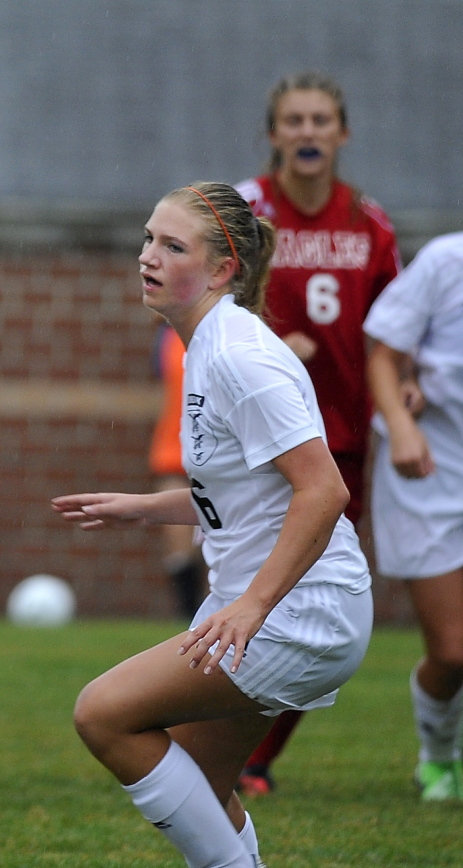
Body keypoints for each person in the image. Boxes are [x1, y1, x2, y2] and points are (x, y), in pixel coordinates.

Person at [53, 182, 372, 868]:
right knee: (197, 778)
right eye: (147, 238)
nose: (146, 257)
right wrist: (140, 507)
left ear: (224, 268)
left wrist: (252, 606)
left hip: (300, 610)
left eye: (171, 246)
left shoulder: (237, 356)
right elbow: (241, 494)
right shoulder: (206, 345)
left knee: (102, 713)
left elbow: (323, 490)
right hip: (270, 604)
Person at [233, 71, 400, 796]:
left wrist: (406, 381)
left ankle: (256, 755)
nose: (306, 132)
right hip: (262, 439)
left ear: (341, 134)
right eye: (293, 121)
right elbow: (207, 299)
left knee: (322, 599)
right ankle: (221, 741)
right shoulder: (244, 211)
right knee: (248, 585)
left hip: (343, 441)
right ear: (273, 134)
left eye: (319, 121)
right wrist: (268, 344)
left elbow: (394, 327)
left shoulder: (368, 223)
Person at [364, 234, 463, 801]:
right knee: (452, 650)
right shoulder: (445, 262)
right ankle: (439, 756)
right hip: (428, 469)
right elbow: (381, 350)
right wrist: (400, 426)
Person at [148, 321, 205, 619]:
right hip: (179, 446)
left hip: (193, 446)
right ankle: (191, 608)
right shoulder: (171, 334)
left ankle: (196, 606)